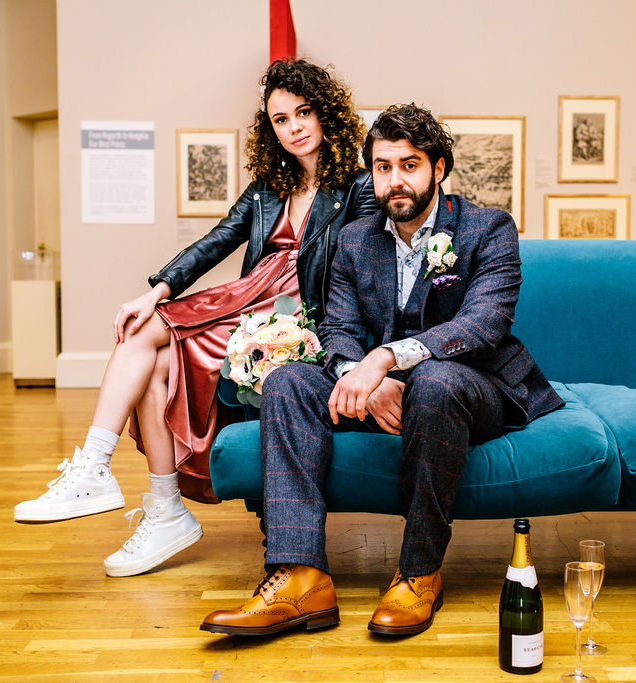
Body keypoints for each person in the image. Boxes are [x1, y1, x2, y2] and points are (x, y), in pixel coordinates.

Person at [200, 104, 564, 637]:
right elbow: (339, 329)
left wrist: (385, 359)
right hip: (387, 388)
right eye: (383, 166)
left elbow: (483, 325)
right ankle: (301, 577)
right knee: (288, 382)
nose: (395, 180)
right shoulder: (356, 239)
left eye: (409, 165)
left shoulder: (489, 230)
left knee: (435, 383)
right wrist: (361, 378)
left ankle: (419, 574)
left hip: (473, 384)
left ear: (439, 167)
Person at [13, 59, 376, 578]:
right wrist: (155, 290)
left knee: (153, 351)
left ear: (326, 115)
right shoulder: (268, 187)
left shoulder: (357, 186)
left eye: (304, 112)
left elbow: (364, 269)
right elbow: (218, 241)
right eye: (280, 119)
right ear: (268, 129)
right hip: (249, 298)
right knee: (146, 342)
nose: (294, 127)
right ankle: (147, 498)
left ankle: (121, 485)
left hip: (303, 312)